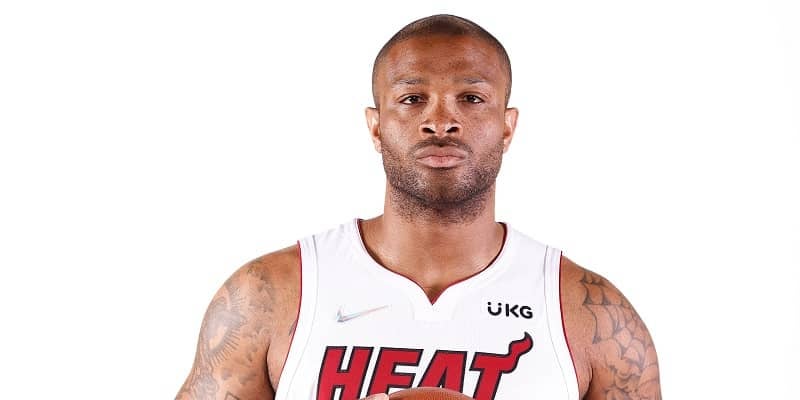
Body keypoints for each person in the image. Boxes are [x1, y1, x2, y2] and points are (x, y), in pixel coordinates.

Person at [177, 14, 661, 400]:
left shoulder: (592, 316)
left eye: (471, 98)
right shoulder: (270, 295)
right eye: (412, 98)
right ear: (376, 126)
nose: (441, 121)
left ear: (507, 126)